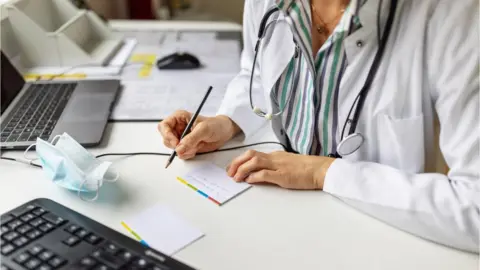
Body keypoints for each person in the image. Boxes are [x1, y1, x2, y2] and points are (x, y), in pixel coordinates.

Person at [158, 0, 479, 253]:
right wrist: (228, 121)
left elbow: (474, 210)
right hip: (269, 217)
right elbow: (255, 72)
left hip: (374, 236)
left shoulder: (455, 16)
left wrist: (323, 173)